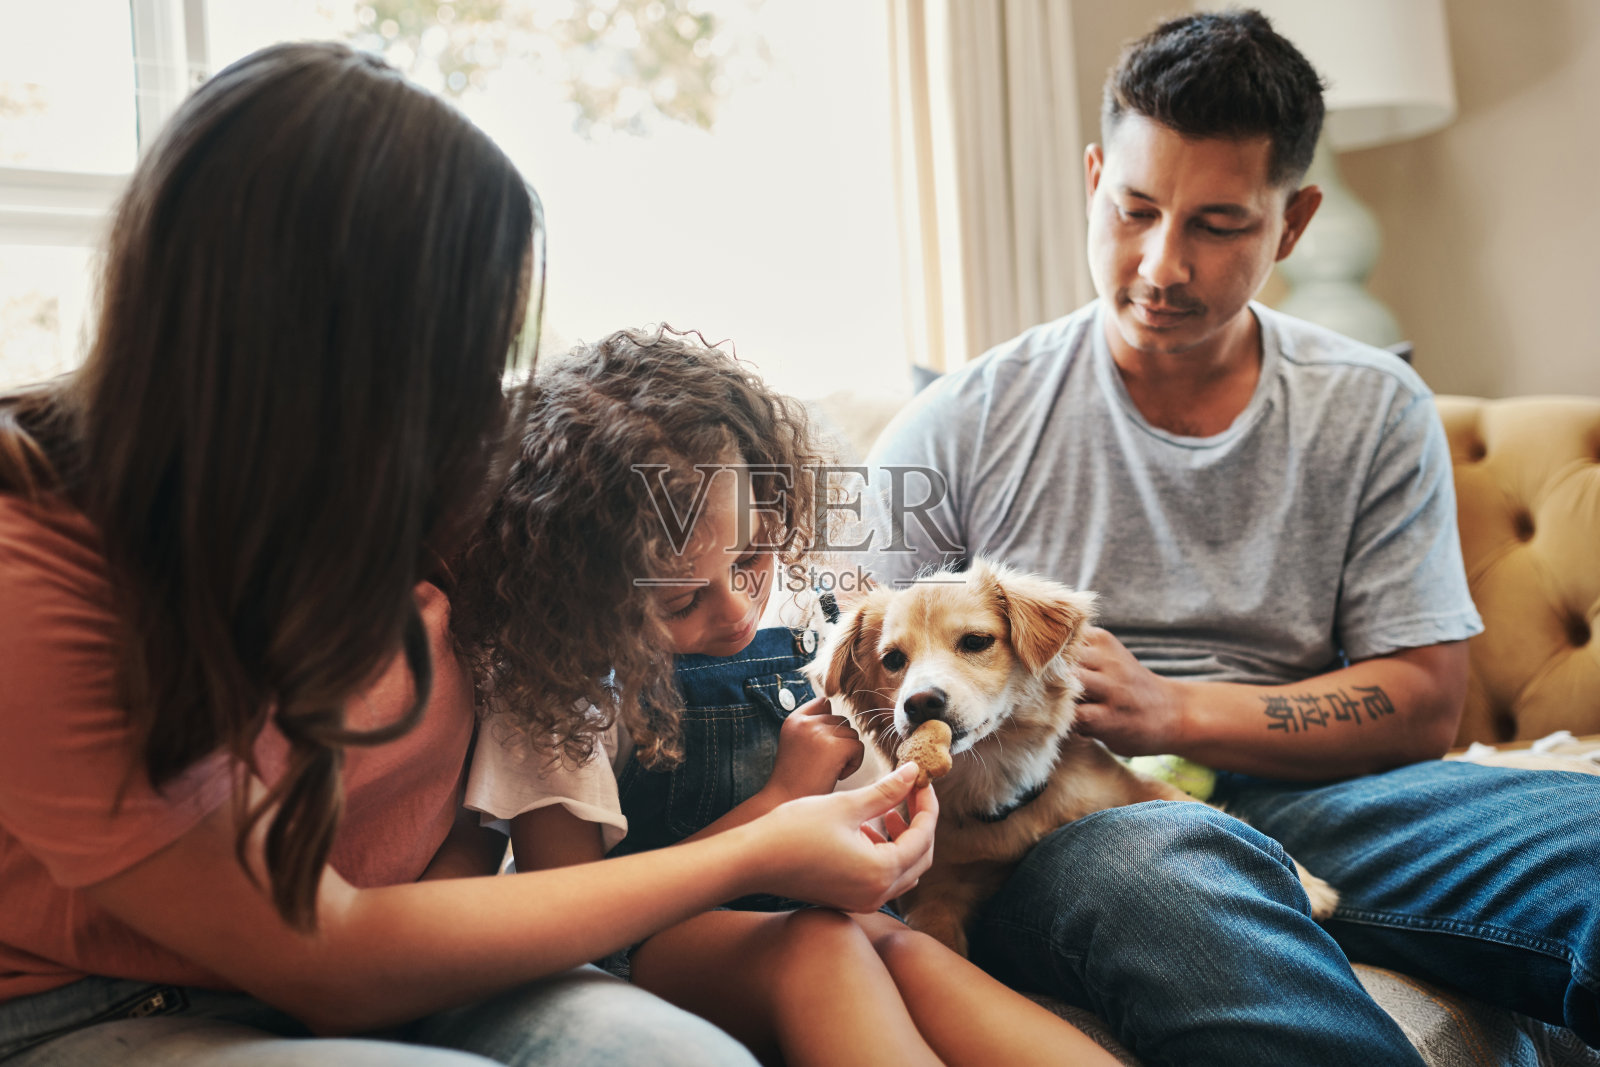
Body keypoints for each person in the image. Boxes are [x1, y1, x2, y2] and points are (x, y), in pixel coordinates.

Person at [0, 44, 939, 1066]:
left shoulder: (444, 485)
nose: (479, 399)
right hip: (116, 1005)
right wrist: (764, 841)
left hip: (432, 955)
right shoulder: (36, 563)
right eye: (455, 351)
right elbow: (324, 957)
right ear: (321, 359)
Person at [859, 9, 1600, 1066]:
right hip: (1068, 818)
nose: (1161, 264)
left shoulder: (1370, 406)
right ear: (1092, 182)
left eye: (1216, 224)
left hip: (1321, 793)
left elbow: (1425, 701)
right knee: (1171, 862)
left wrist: (1173, 707)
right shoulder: (958, 425)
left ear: (1291, 223)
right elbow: (853, 709)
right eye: (1134, 208)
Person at [451, 326, 1121, 1067]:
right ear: (583, 594)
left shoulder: (805, 623)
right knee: (820, 947)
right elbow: (570, 911)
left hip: (815, 912)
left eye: (751, 557)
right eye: (679, 601)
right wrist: (779, 801)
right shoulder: (559, 690)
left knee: (905, 947)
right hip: (645, 950)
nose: (737, 609)